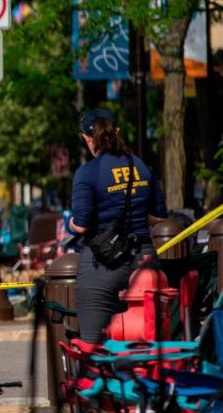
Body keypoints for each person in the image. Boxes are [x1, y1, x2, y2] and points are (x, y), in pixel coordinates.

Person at [68, 108, 166, 343]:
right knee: (148, 342)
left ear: (86, 138)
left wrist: (70, 224)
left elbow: (81, 226)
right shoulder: (141, 166)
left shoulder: (87, 173)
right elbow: (158, 216)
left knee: (94, 346)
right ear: (117, 131)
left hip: (104, 264)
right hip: (145, 261)